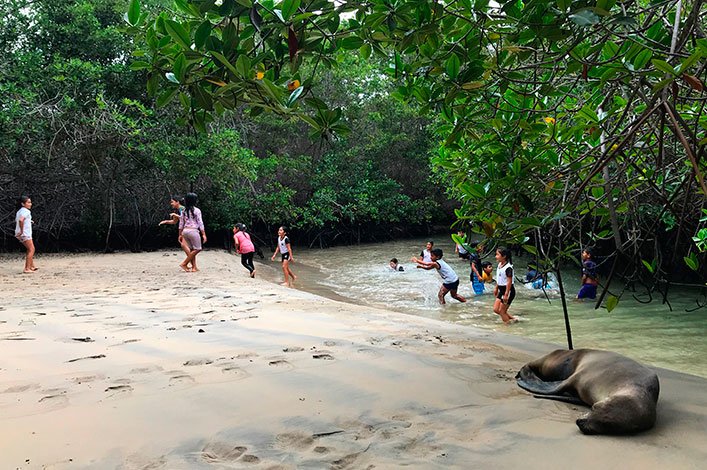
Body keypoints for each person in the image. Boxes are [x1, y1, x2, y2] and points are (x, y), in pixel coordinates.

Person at [158, 196, 192, 270]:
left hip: (187, 229)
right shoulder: (177, 210)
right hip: (184, 229)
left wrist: (175, 215)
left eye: (172, 202)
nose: (171, 204)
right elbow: (174, 221)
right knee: (184, 246)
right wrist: (165, 221)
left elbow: (186, 219)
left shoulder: (182, 208)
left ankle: (189, 263)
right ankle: (190, 263)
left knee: (184, 246)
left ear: (177, 202)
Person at [177, 192, 206, 272]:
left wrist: (180, 234)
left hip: (185, 231)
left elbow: (181, 223)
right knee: (198, 249)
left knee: (192, 249)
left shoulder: (184, 211)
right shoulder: (197, 210)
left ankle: (194, 267)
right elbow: (200, 223)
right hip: (193, 231)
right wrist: (203, 234)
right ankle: (184, 263)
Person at [493, 247, 517, 324]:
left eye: (497, 254)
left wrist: (506, 294)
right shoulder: (500, 265)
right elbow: (499, 278)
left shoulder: (508, 268)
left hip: (508, 291)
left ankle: (507, 326)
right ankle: (513, 319)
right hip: (501, 289)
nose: (495, 256)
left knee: (502, 312)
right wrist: (496, 288)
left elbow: (509, 282)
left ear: (504, 256)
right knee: (496, 310)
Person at [15, 195, 37, 273]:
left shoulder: (20, 211)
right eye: (28, 202)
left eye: (30, 202)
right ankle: (27, 268)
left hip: (19, 233)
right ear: (23, 204)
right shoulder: (26, 211)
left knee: (29, 249)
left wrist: (29, 221)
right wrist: (22, 231)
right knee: (32, 249)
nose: (30, 204)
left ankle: (31, 266)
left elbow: (21, 219)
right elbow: (21, 220)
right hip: (25, 233)